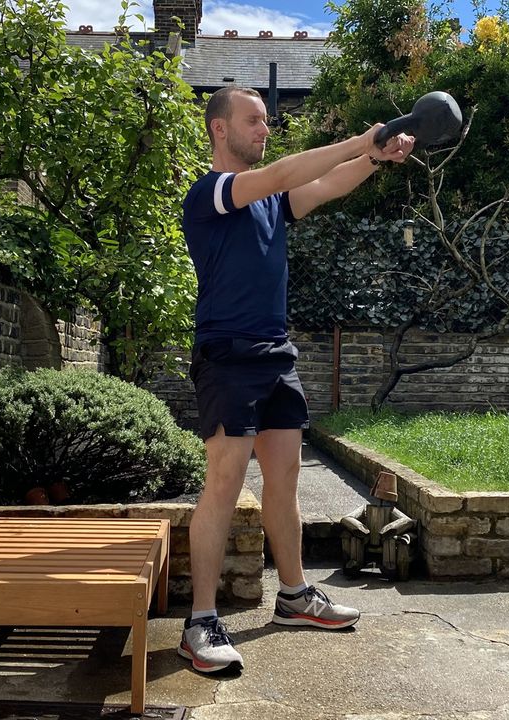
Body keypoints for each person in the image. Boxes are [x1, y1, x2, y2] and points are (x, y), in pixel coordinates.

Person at [177, 86, 415, 674]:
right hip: (227, 356)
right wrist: (362, 138)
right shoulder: (212, 194)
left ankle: (293, 596)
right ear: (219, 130)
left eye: (266, 122)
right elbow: (287, 170)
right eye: (253, 121)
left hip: (275, 356)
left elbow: (325, 185)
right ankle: (200, 621)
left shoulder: (271, 203)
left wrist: (374, 158)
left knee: (284, 480)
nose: (264, 129)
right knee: (225, 484)